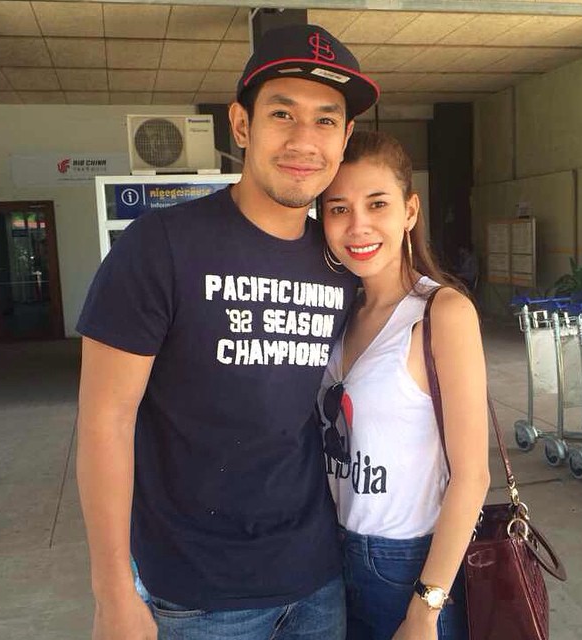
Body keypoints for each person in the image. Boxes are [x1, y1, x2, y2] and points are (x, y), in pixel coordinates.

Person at [76, 24, 379, 640]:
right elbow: (106, 420)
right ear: (241, 125)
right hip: (196, 594)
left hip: (317, 577)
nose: (304, 140)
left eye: (325, 120)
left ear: (345, 138)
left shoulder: (340, 260)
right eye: (282, 114)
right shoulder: (160, 246)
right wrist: (112, 593)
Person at [318, 131, 490, 640]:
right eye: (338, 208)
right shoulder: (339, 314)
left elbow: (472, 476)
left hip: (406, 564)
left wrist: (426, 608)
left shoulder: (441, 313)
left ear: (410, 211)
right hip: (329, 554)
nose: (358, 225)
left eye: (377, 204)